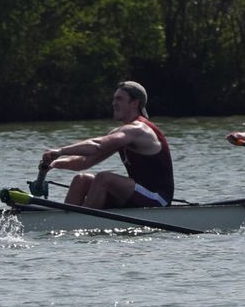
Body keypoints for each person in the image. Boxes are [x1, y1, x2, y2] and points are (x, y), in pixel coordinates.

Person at [39, 81, 174, 210]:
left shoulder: (139, 129)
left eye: (119, 99)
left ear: (134, 103)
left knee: (104, 178)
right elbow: (84, 162)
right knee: (81, 180)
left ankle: (80, 222)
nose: (113, 103)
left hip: (158, 198)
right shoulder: (121, 133)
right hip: (137, 194)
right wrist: (54, 163)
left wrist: (61, 150)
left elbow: (97, 145)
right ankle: (65, 223)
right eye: (114, 99)